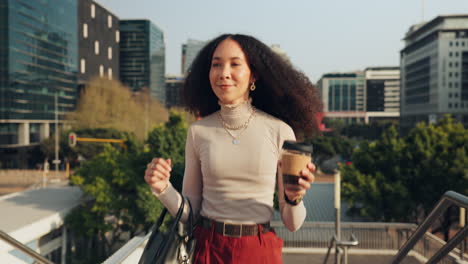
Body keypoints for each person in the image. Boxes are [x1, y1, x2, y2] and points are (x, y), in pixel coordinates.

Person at [144, 33, 323, 264]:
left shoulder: (280, 131)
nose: (223, 73)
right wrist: (163, 189)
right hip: (208, 249)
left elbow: (293, 223)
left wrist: (293, 198)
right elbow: (190, 217)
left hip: (258, 252)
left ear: (253, 74)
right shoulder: (198, 132)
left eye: (235, 64)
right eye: (216, 64)